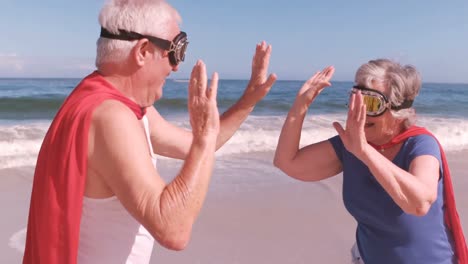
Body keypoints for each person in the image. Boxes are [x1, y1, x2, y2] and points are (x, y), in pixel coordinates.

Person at [22, 0, 277, 263]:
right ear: (143, 51)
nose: (177, 66)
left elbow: (200, 147)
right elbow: (174, 229)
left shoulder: (122, 106)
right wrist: (205, 136)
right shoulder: (111, 117)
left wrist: (248, 100)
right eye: (176, 50)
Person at [274, 60, 467, 263]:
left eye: (371, 103)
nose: (361, 112)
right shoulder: (350, 145)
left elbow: (419, 204)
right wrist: (301, 105)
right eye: (356, 100)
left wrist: (364, 152)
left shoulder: (420, 144)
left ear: (398, 111)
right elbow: (288, 163)